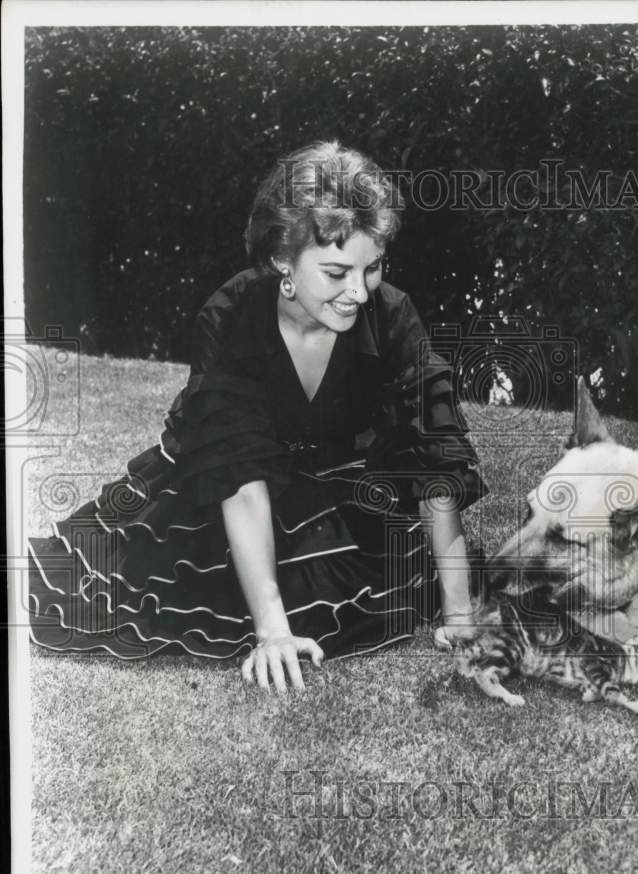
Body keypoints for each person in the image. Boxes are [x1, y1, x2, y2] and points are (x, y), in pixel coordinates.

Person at [28, 141, 488, 692]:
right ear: (281, 261)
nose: (359, 293)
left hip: (337, 492)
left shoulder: (392, 315)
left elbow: (435, 464)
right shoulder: (230, 316)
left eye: (372, 268)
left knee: (361, 571)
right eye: (337, 271)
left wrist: (459, 615)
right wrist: (272, 633)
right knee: (149, 581)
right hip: (231, 490)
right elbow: (240, 480)